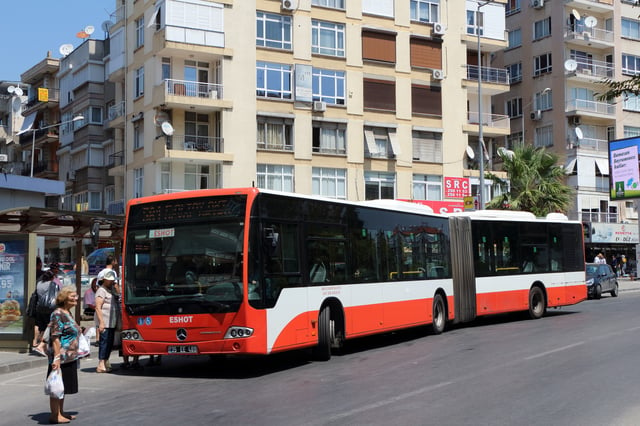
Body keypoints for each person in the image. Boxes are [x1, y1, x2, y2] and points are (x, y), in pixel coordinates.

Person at [47, 285, 82, 424]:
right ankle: (55, 415)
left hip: (69, 356)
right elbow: (55, 337)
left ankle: (61, 412)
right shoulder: (57, 314)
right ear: (64, 298)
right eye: (72, 296)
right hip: (61, 357)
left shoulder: (67, 312)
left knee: (63, 386)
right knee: (56, 387)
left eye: (76, 296)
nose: (76, 299)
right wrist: (56, 358)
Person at [94, 270, 121, 373]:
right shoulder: (101, 291)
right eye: (109, 280)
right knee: (104, 342)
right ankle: (101, 364)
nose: (111, 282)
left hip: (112, 321)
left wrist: (116, 289)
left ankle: (105, 362)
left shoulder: (111, 291)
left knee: (109, 343)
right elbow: (98, 307)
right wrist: (101, 323)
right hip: (105, 321)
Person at [32, 270, 57, 357]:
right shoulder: (52, 284)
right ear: (52, 277)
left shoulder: (39, 284)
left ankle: (35, 341)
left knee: (39, 325)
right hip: (49, 308)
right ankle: (42, 345)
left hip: (39, 307)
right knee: (49, 326)